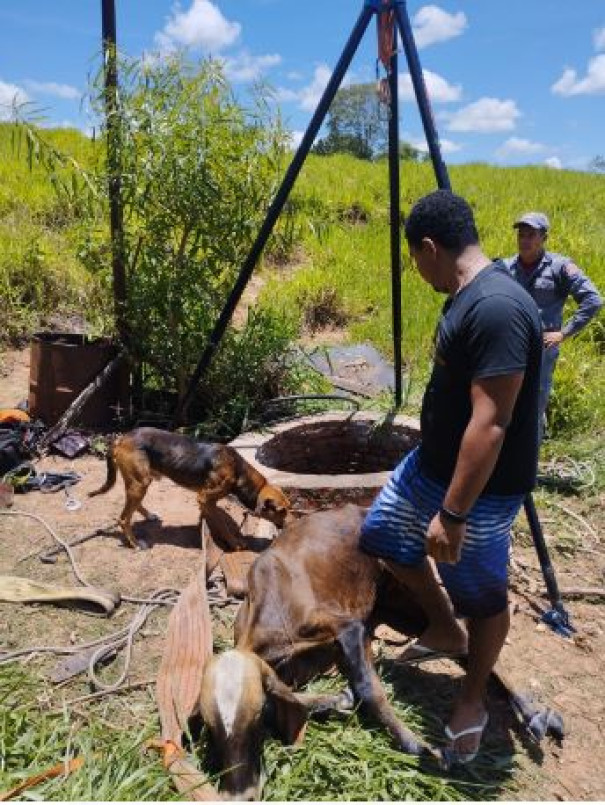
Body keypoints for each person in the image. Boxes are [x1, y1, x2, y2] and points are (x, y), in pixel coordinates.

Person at [360, 190, 543, 766]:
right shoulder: (464, 299)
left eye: (416, 259)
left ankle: (472, 700)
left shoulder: (496, 309)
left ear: (430, 248)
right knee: (384, 533)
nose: (419, 272)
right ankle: (443, 629)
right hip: (430, 465)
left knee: (484, 597)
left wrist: (455, 513)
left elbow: (491, 425)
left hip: (481, 492)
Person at [504, 212, 603, 434]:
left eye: (531, 235)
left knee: (534, 406)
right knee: (505, 403)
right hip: (510, 346)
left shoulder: (559, 267)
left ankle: (529, 463)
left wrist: (564, 333)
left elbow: (593, 299)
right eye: (521, 234)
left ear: (544, 238)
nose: (525, 240)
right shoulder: (506, 267)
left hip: (542, 349)